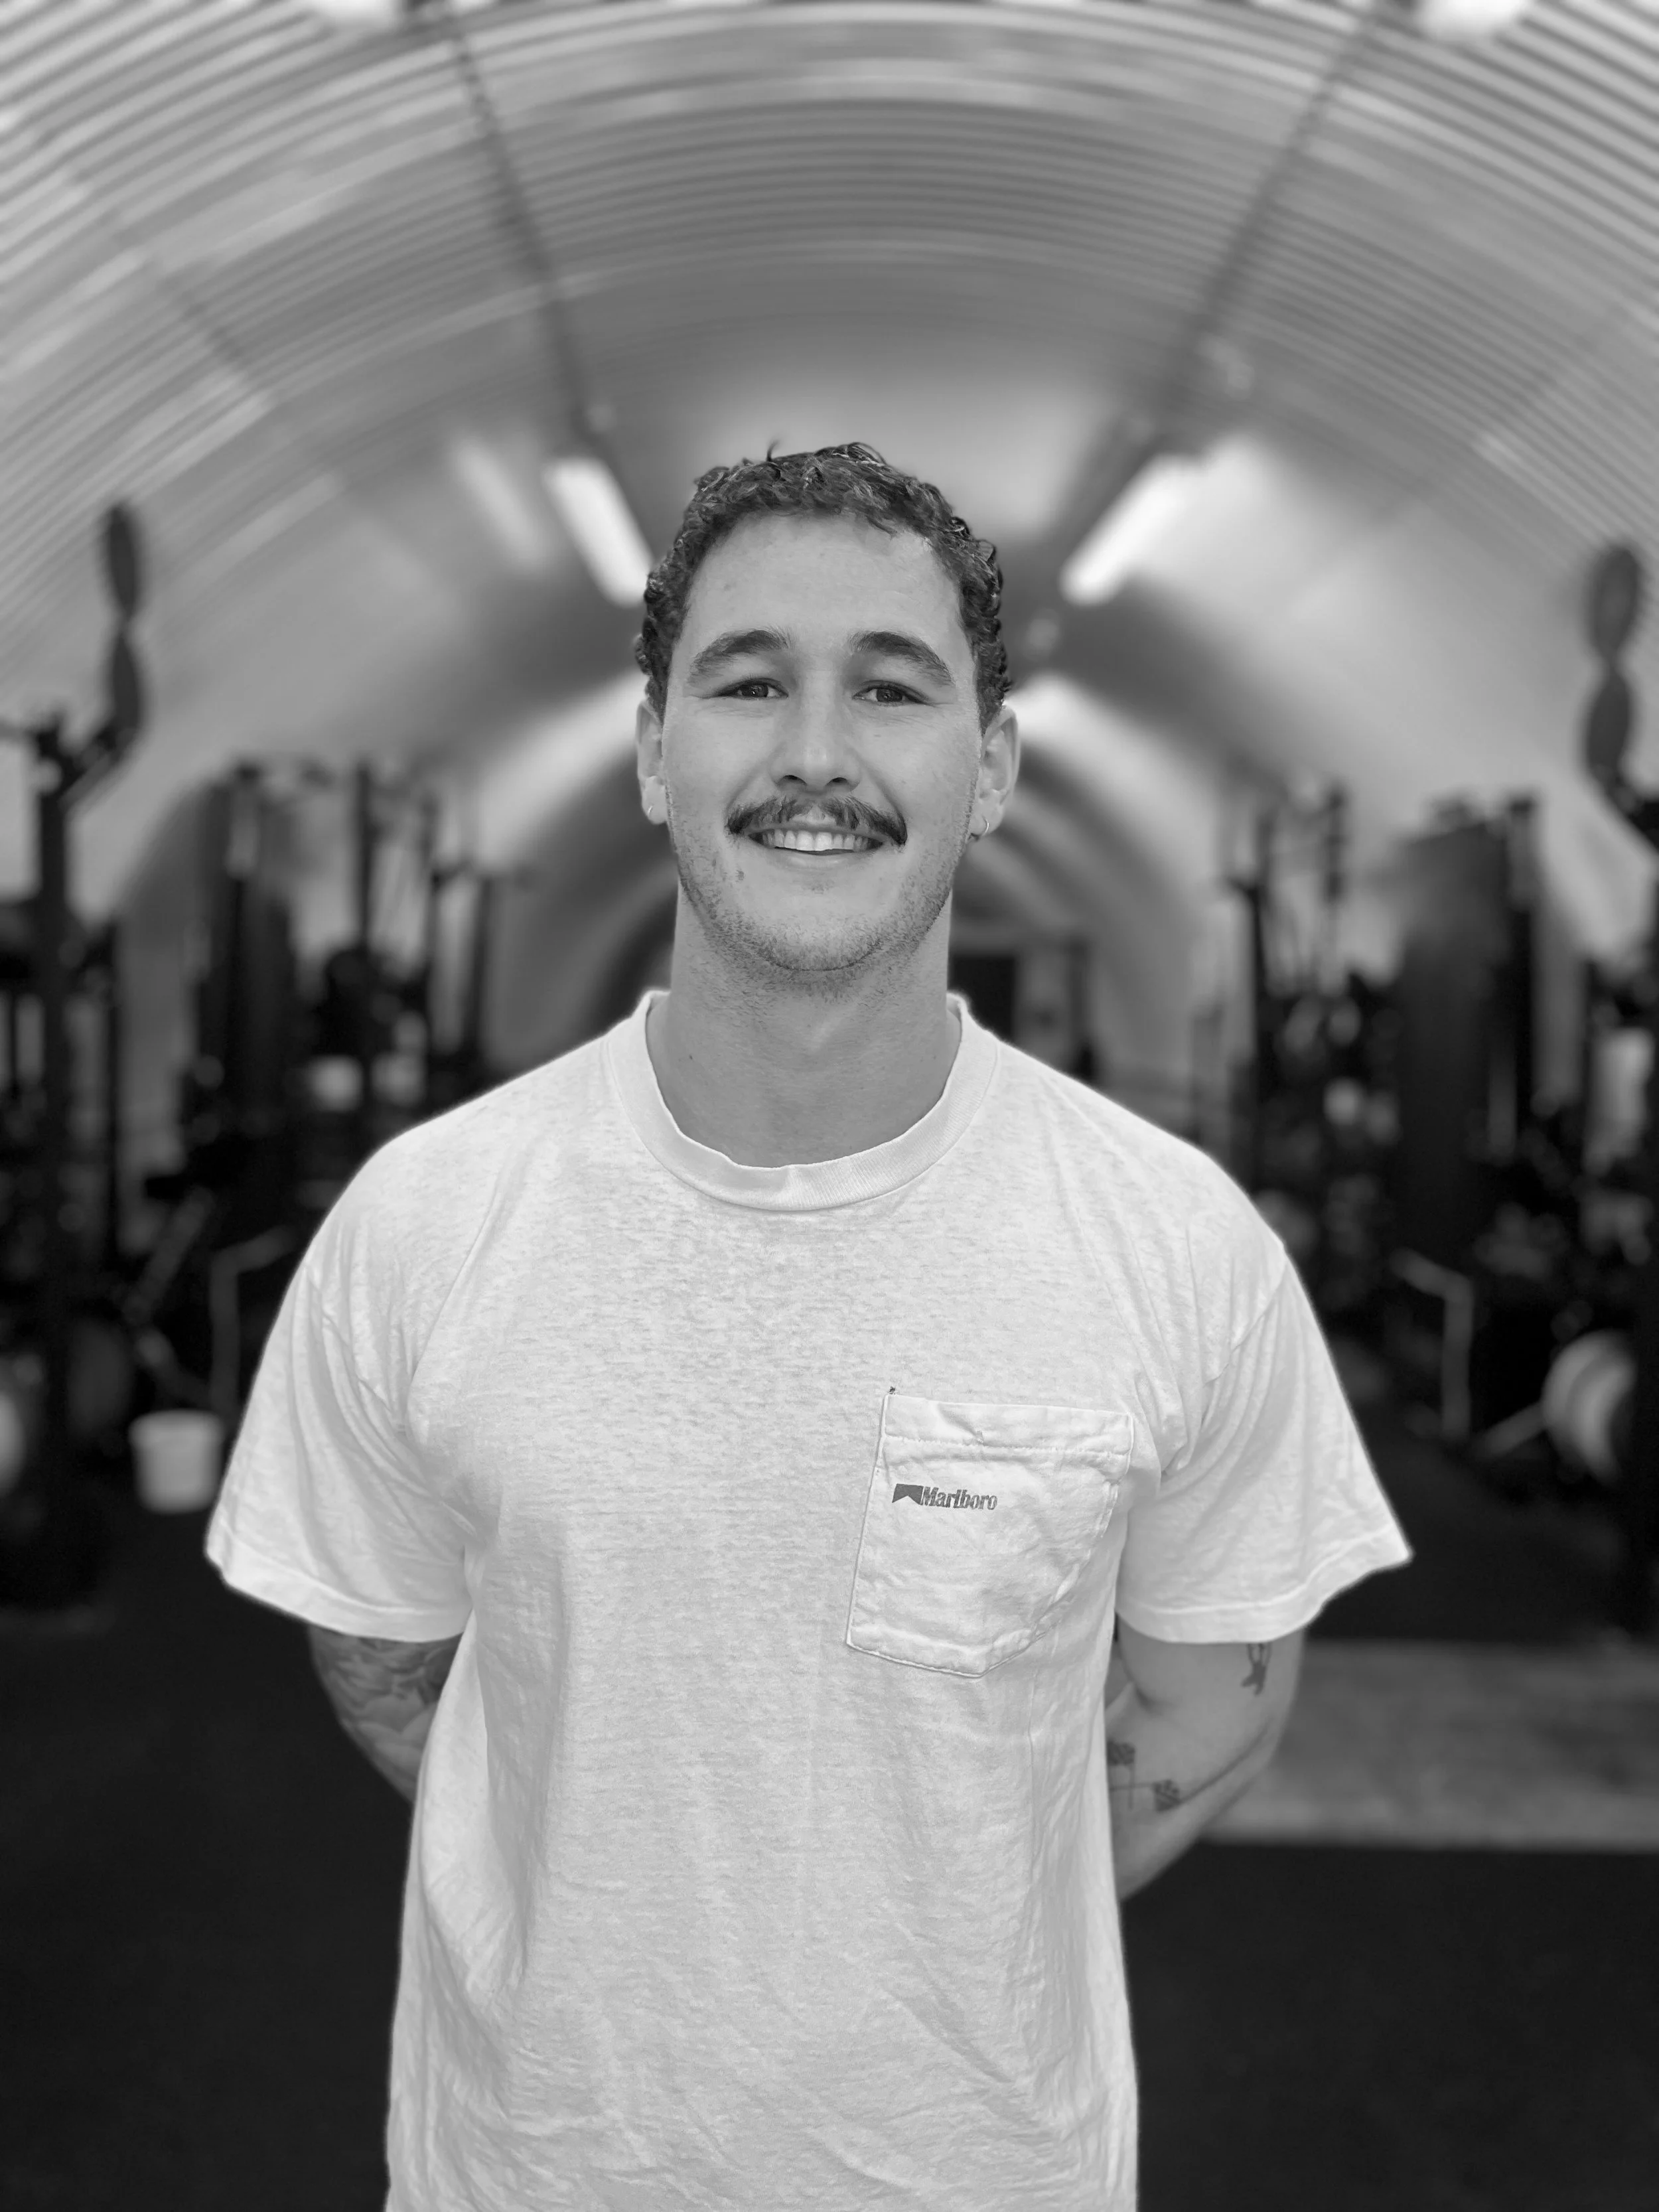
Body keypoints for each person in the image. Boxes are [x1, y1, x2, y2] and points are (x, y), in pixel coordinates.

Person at [205, 441, 1411, 2211]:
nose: (817, 754)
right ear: (651, 750)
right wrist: (619, 1873)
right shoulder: (427, 1222)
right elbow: (384, 1656)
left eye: (893, 688)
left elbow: (1208, 1702)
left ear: (992, 766)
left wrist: (939, 1904)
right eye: (749, 680)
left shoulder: (1174, 1245)